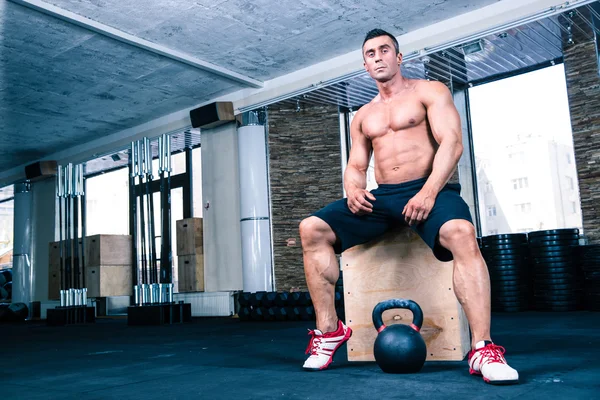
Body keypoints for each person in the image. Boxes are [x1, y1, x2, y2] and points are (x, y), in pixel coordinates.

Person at [298, 28, 519, 385]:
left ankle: (482, 348)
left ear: (398, 58)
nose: (378, 57)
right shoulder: (363, 116)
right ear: (365, 65)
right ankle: (329, 331)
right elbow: (356, 166)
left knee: (462, 233)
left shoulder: (430, 91)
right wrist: (353, 189)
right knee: (312, 229)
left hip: (431, 188)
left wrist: (430, 192)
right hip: (384, 197)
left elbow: (452, 143)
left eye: (385, 50)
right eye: (371, 53)